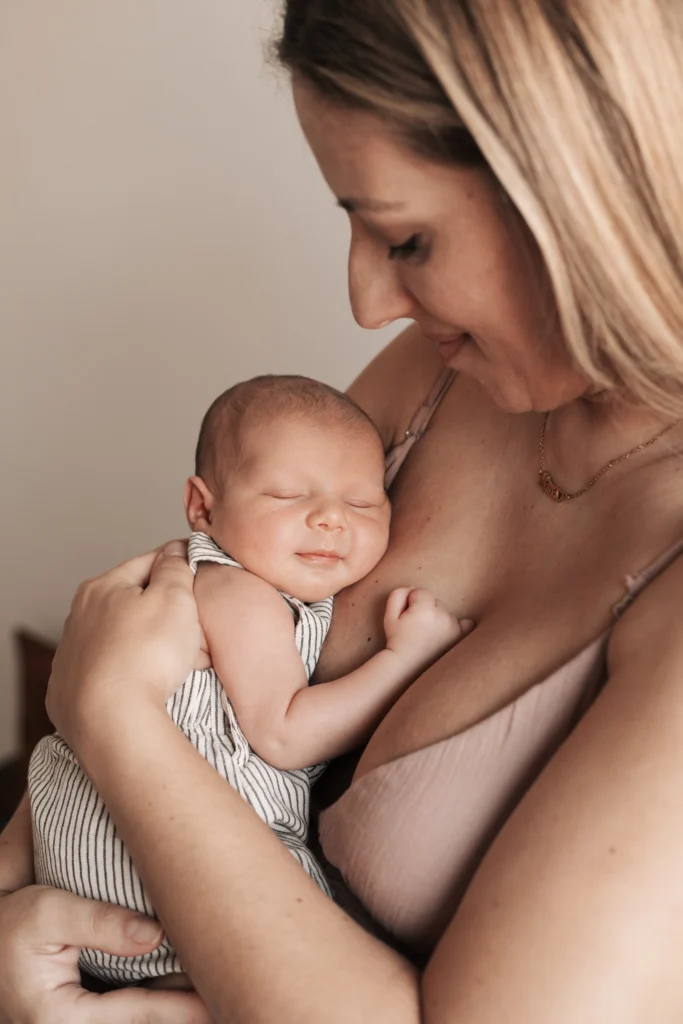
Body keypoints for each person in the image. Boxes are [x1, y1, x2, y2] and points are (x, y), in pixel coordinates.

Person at [2, 0, 683, 1020]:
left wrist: (107, 723)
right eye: (353, 225)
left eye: (406, 239)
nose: (365, 301)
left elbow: (115, 693)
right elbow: (171, 618)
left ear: (582, 198)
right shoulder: (442, 378)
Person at [26, 374, 467, 988]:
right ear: (203, 507)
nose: (331, 520)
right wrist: (407, 656)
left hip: (93, 878)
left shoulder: (195, 583)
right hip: (162, 888)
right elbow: (285, 734)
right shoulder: (238, 592)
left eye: (364, 502)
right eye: (289, 495)